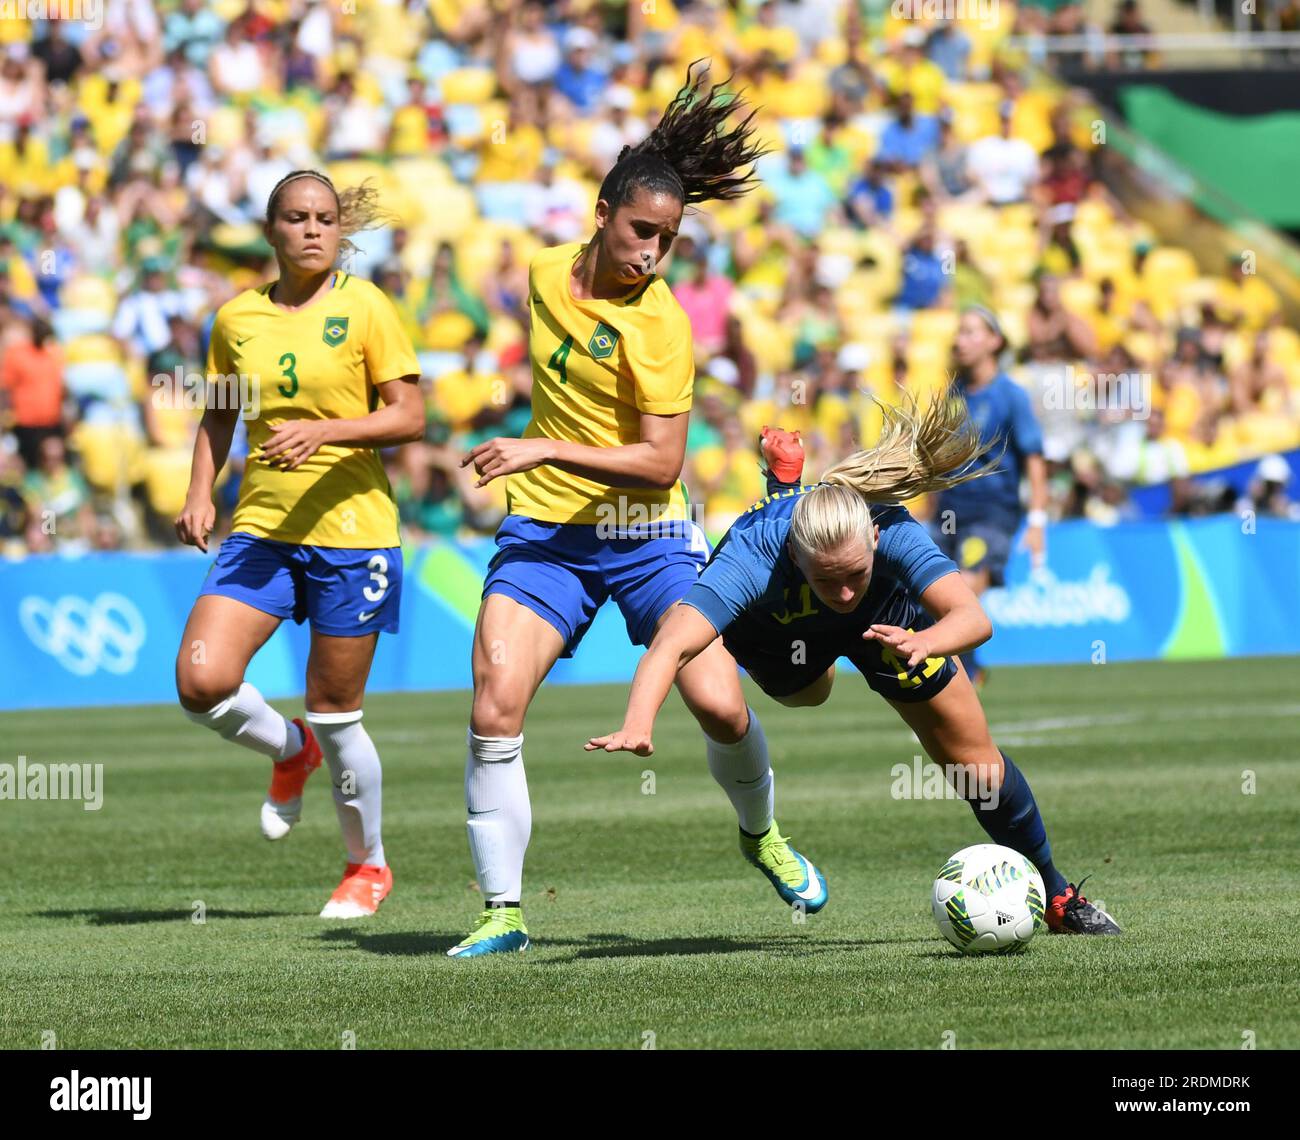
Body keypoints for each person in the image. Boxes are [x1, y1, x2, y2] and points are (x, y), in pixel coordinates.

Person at [449, 65, 827, 959]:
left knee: (722, 710)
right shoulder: (544, 275)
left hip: (647, 533)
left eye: (668, 239)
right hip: (544, 533)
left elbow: (662, 460)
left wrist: (541, 445)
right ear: (601, 212)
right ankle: (503, 911)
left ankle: (760, 834)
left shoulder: (660, 325)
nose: (652, 253)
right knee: (495, 704)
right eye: (640, 231)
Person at [588, 397, 1121, 937]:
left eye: (855, 575)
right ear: (797, 557)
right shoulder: (753, 554)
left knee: (975, 768)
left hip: (890, 630)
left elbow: (973, 618)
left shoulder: (893, 528)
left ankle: (1056, 895)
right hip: (780, 633)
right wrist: (639, 720)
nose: (843, 591)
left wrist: (926, 642)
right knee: (810, 693)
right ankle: (785, 492)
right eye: (828, 579)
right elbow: (671, 644)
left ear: (872, 540)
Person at [173, 170, 423, 918]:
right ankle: (290, 750)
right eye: (296, 217)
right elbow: (220, 417)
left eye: (324, 218)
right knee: (200, 680)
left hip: (355, 536)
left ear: (339, 230)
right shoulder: (237, 319)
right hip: (262, 529)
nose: (312, 229)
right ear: (271, 230)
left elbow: (409, 415)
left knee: (337, 708)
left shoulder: (367, 306)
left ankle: (366, 868)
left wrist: (327, 430)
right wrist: (198, 492)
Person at [932, 307, 1048, 685]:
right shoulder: (952, 394)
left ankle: (959, 679)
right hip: (950, 509)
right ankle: (971, 670)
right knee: (934, 596)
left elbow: (1033, 457)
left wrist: (1037, 520)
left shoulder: (1010, 395)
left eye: (969, 332)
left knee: (963, 588)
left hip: (992, 512)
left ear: (994, 341)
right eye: (958, 332)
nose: (958, 339)